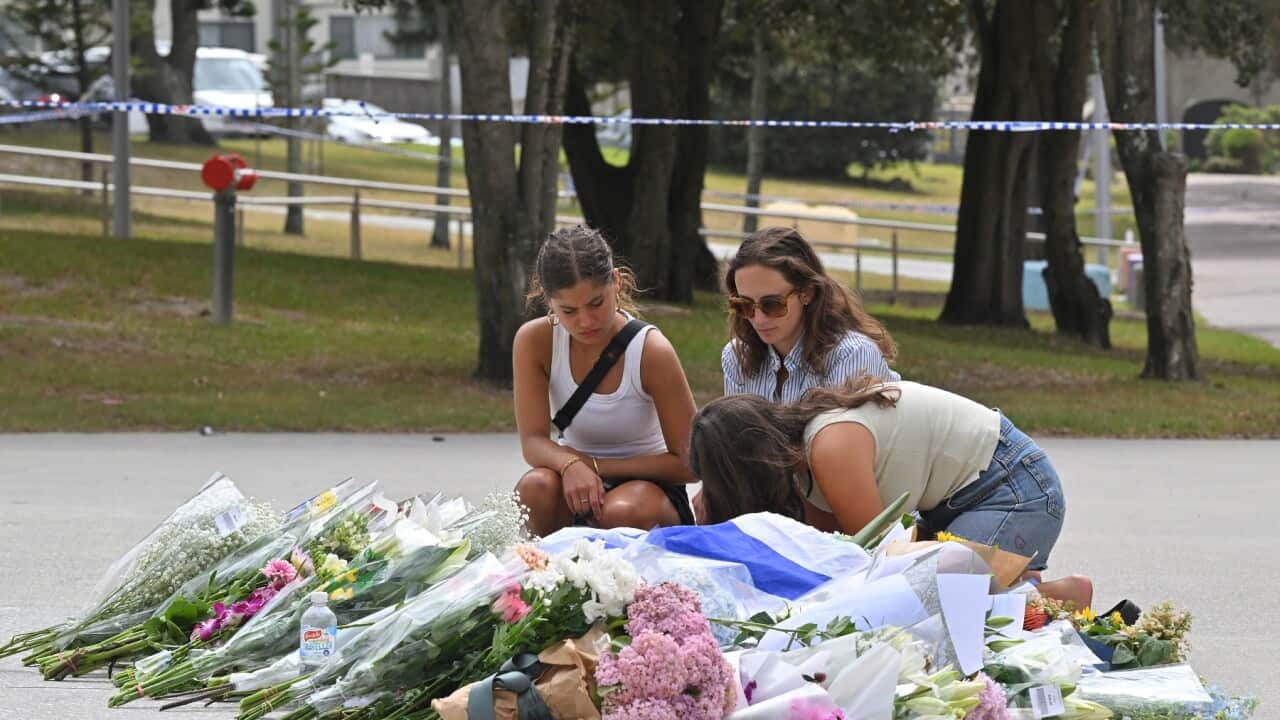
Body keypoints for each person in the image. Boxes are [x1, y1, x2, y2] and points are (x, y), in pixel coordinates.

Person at [688, 376, 1092, 607]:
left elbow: (877, 557)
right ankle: (1013, 587)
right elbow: (824, 545)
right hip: (962, 499)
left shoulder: (830, 448)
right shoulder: (805, 458)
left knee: (938, 605)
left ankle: (1057, 594)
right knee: (936, 600)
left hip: (1014, 489)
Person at [513, 225, 698, 536]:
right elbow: (533, 441)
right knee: (534, 489)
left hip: (651, 489)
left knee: (621, 511)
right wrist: (570, 465)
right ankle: (547, 567)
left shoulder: (651, 351)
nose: (585, 321)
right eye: (569, 311)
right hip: (575, 477)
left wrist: (593, 466)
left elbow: (690, 464)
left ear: (616, 281)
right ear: (548, 300)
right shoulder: (534, 340)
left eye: (596, 303)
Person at [722, 226, 900, 404]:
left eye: (772, 304)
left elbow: (840, 424)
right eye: (744, 305)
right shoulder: (737, 356)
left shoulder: (853, 354)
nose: (759, 319)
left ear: (807, 293)